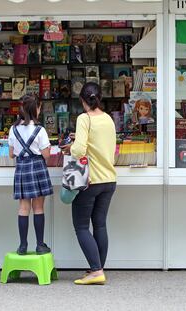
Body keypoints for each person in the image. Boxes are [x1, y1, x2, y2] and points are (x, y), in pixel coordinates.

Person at [60, 82, 116, 285]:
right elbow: (106, 147)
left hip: (89, 181)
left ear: (83, 100)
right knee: (99, 224)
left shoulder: (84, 119)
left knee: (81, 226)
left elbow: (79, 151)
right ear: (99, 98)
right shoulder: (108, 119)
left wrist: (72, 146)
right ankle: (98, 267)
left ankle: (96, 270)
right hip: (109, 179)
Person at [8, 95, 53, 255]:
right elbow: (46, 155)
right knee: (38, 207)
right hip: (38, 167)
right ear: (36, 109)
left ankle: (22, 245)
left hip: (22, 168)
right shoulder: (40, 130)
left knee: (23, 208)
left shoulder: (13, 129)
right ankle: (40, 245)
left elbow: (11, 154)